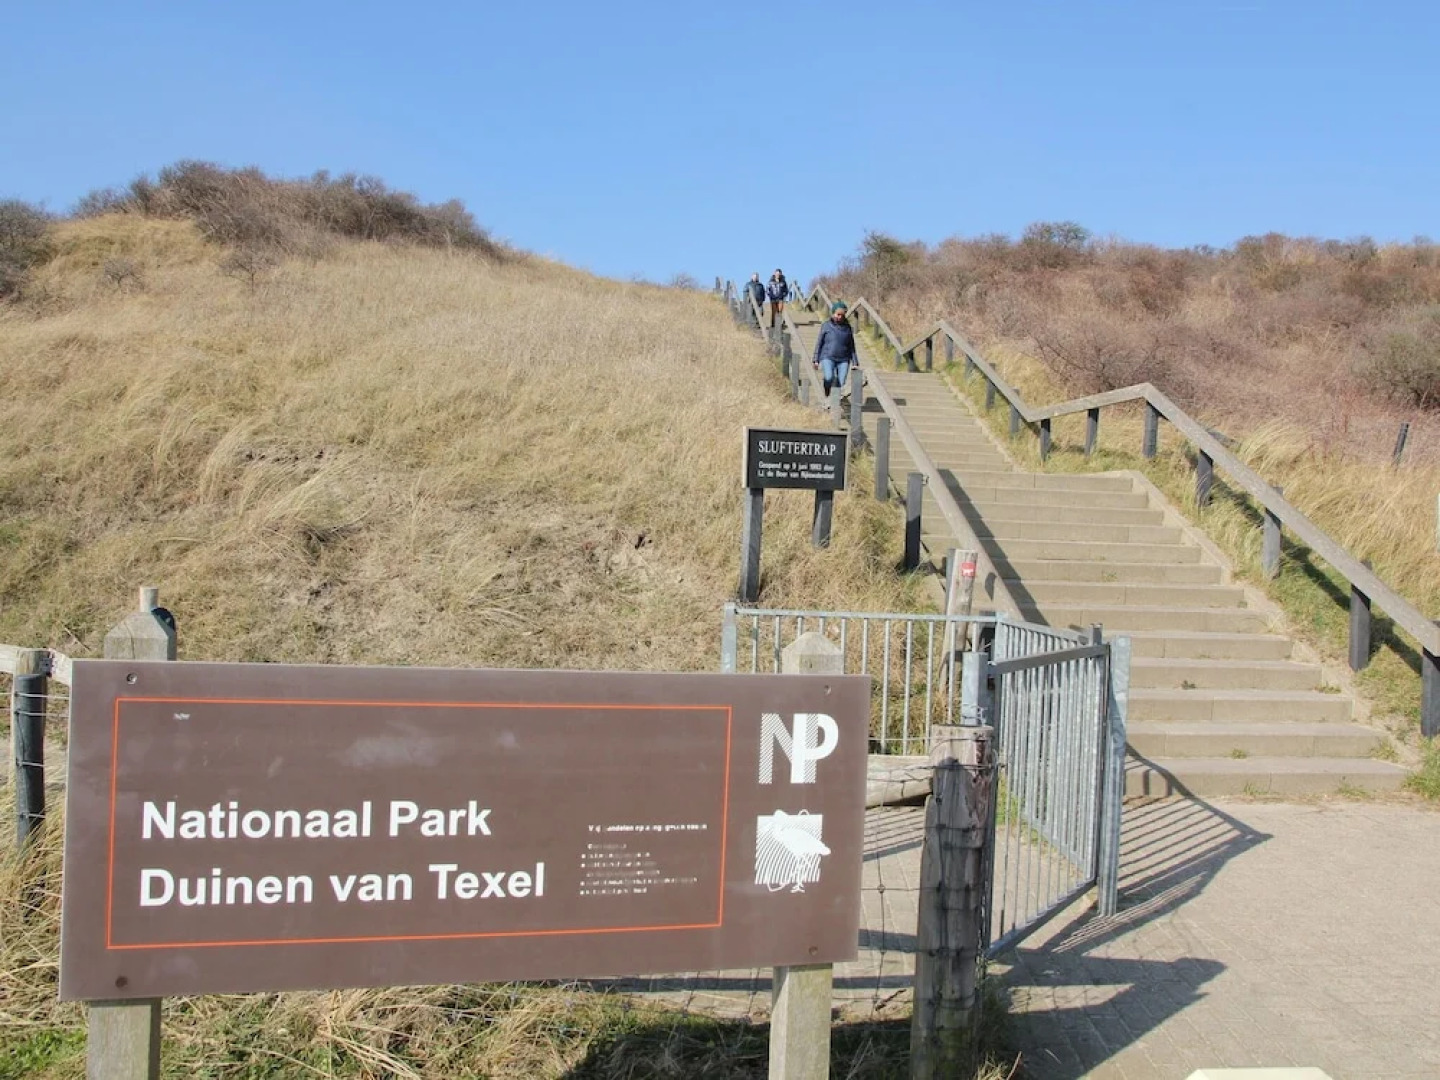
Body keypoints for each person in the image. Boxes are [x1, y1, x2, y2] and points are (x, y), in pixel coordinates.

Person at [813, 300, 858, 400]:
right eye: (838, 314)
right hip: (828, 356)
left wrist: (855, 362)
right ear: (833, 313)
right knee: (829, 377)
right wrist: (816, 360)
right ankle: (827, 389)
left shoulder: (848, 328)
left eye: (842, 315)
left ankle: (836, 405)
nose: (840, 317)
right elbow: (819, 343)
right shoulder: (826, 326)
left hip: (844, 359)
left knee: (841, 384)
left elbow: (852, 346)